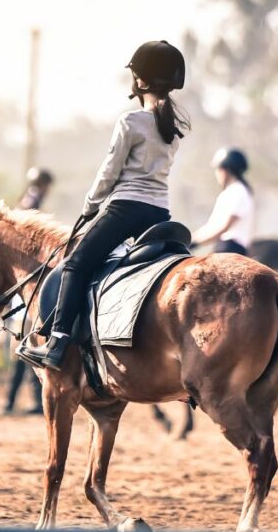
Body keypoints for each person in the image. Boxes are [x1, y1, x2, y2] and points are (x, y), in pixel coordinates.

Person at [18, 40, 188, 370]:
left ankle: (57, 343)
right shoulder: (174, 128)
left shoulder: (131, 121)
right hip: (160, 214)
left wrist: (90, 206)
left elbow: (110, 170)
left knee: (75, 265)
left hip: (126, 209)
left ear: (141, 82)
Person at [4, 167, 55, 414]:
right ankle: (23, 400)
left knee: (26, 342)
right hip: (27, 287)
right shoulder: (32, 203)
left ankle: (12, 400)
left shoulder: (26, 200)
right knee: (28, 341)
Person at [192, 148, 254, 255]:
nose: (216, 174)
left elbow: (224, 227)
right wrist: (189, 239)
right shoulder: (229, 192)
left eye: (218, 169)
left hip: (230, 248)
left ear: (225, 170)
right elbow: (211, 226)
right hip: (226, 247)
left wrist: (196, 243)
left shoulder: (238, 191)